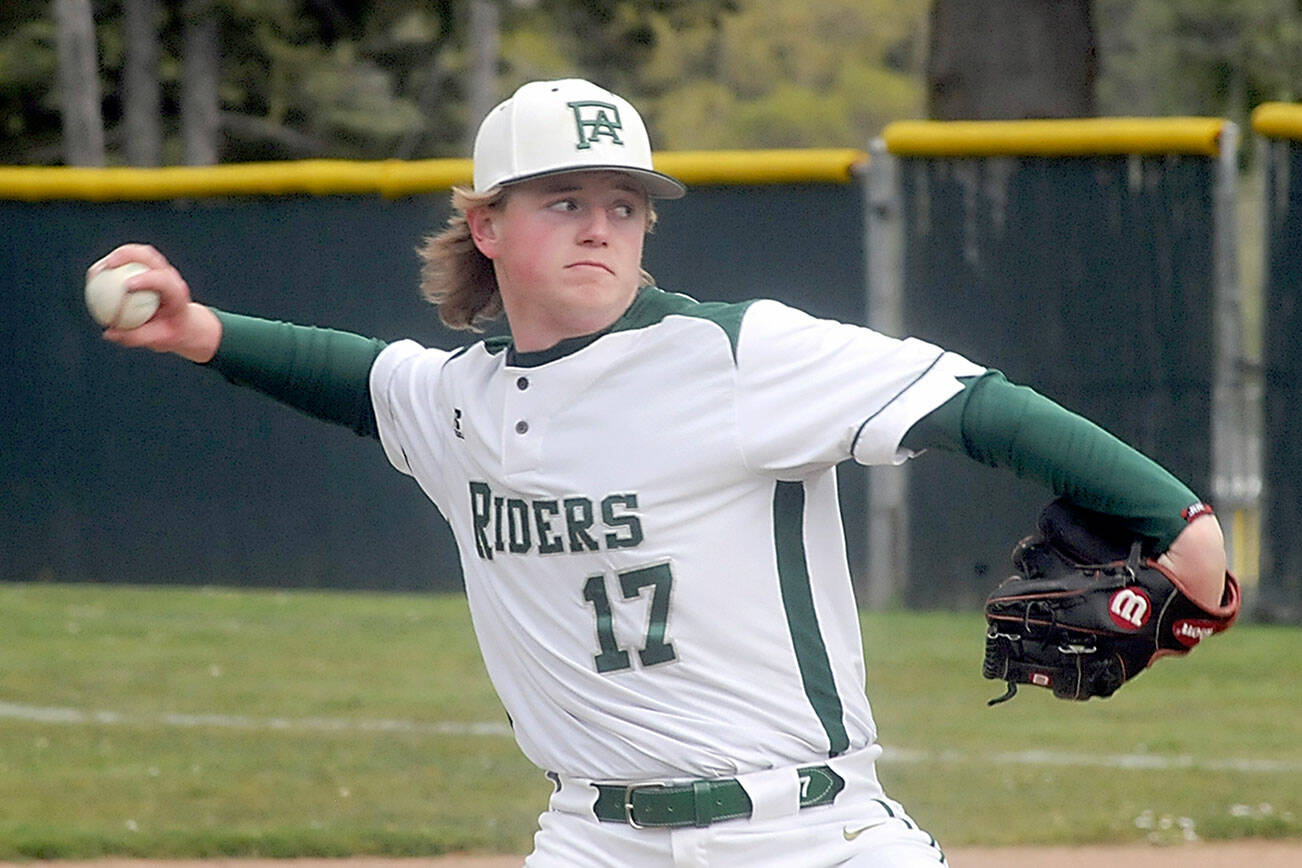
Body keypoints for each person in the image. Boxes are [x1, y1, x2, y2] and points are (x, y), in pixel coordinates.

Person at [93, 78, 1232, 867]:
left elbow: (980, 407)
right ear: (487, 226)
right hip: (593, 836)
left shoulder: (740, 354)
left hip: (804, 832)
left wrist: (1173, 512)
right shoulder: (461, 401)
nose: (603, 226)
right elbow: (356, 376)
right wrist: (201, 333)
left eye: (624, 204)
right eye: (565, 201)